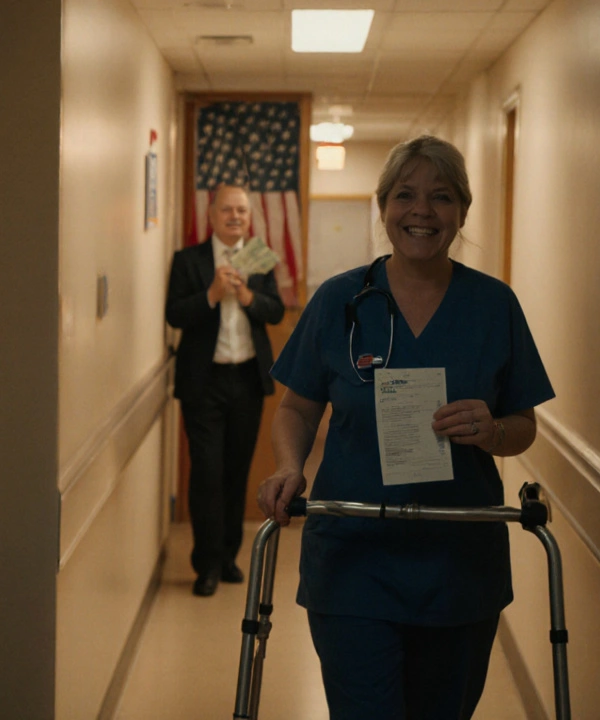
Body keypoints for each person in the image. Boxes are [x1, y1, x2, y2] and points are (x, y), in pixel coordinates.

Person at [256, 135, 555, 719]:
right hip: (354, 560)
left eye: (441, 197)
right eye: (405, 195)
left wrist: (494, 432)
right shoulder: (340, 301)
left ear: (462, 212)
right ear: (383, 206)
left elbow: (524, 423)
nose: (422, 211)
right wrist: (290, 466)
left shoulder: (494, 306)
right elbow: (296, 408)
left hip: (458, 564)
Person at [165, 184, 285, 597]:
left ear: (249, 217)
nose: (236, 216)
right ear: (212, 214)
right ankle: (206, 564)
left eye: (243, 210)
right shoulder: (189, 260)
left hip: (247, 380)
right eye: (228, 210)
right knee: (207, 474)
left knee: (236, 473)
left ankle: (230, 556)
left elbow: (276, 309)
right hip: (204, 383)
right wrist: (212, 295)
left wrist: (247, 295)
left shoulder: (259, 256)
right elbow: (175, 313)